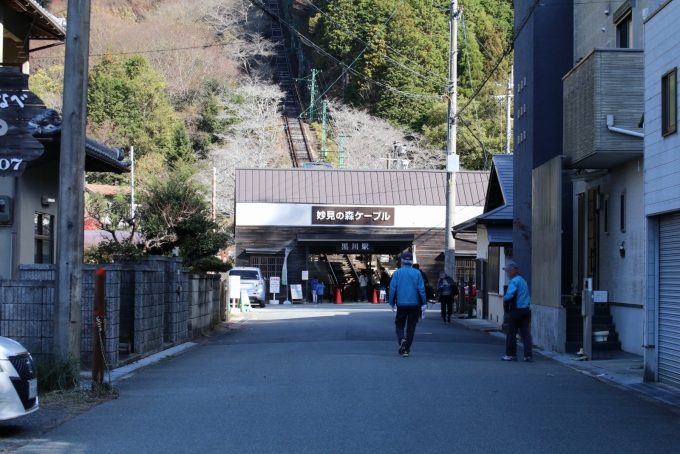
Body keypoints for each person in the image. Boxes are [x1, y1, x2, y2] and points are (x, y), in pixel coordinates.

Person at [389, 252, 427, 357]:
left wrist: (391, 302)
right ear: (411, 261)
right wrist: (424, 302)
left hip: (401, 303)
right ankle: (407, 349)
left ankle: (402, 340)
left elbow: (392, 288)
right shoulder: (417, 273)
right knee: (411, 327)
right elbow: (421, 289)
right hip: (414, 303)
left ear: (402, 261)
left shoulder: (397, 273)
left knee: (399, 324)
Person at [501, 262, 533, 362]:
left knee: (511, 333)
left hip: (516, 310)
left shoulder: (514, 281)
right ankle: (528, 356)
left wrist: (504, 299)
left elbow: (509, 295)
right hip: (526, 309)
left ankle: (511, 355)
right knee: (525, 333)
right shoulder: (523, 280)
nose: (507, 273)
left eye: (507, 271)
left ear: (513, 271)